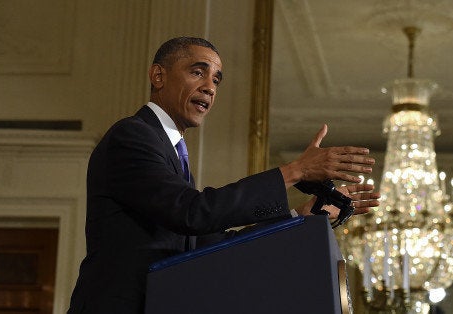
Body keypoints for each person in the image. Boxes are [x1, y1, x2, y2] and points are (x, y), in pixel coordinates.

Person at [67, 37, 379, 313]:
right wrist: (296, 170)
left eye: (217, 80)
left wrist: (301, 216)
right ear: (158, 75)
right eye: (197, 72)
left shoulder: (171, 153)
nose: (210, 87)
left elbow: (213, 244)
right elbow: (192, 212)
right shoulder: (132, 135)